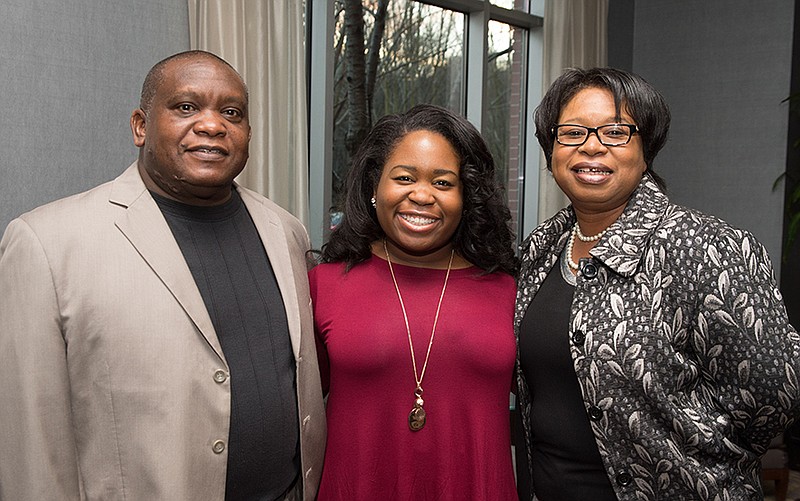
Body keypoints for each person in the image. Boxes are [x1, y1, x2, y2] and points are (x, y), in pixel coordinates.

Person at [0, 50, 325, 500]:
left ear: (248, 133)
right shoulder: (45, 243)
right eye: (186, 107)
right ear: (140, 126)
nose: (212, 125)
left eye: (231, 112)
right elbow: (29, 439)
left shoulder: (285, 230)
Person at [514, 66, 800, 500]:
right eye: (572, 133)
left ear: (646, 149)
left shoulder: (707, 249)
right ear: (551, 148)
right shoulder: (540, 248)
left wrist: (706, 458)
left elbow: (773, 396)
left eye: (615, 132)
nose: (591, 147)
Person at [311, 104, 519, 499]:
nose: (421, 195)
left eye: (443, 183)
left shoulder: (508, 290)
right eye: (404, 177)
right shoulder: (324, 284)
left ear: (466, 196)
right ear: (375, 187)